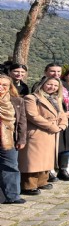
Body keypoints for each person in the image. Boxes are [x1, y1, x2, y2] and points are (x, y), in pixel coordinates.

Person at [19, 77, 68, 195]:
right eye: (50, 84)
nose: (52, 87)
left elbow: (62, 114)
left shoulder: (55, 99)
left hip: (51, 133)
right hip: (37, 132)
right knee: (32, 160)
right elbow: (33, 116)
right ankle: (28, 185)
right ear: (42, 84)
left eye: (56, 86)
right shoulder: (31, 98)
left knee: (46, 159)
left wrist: (62, 125)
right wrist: (52, 127)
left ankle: (42, 181)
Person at [0, 75, 27, 204]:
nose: (1, 87)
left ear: (9, 87)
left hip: (9, 140)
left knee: (11, 167)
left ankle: (13, 196)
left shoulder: (16, 101)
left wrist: (22, 140)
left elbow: (22, 122)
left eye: (4, 85)